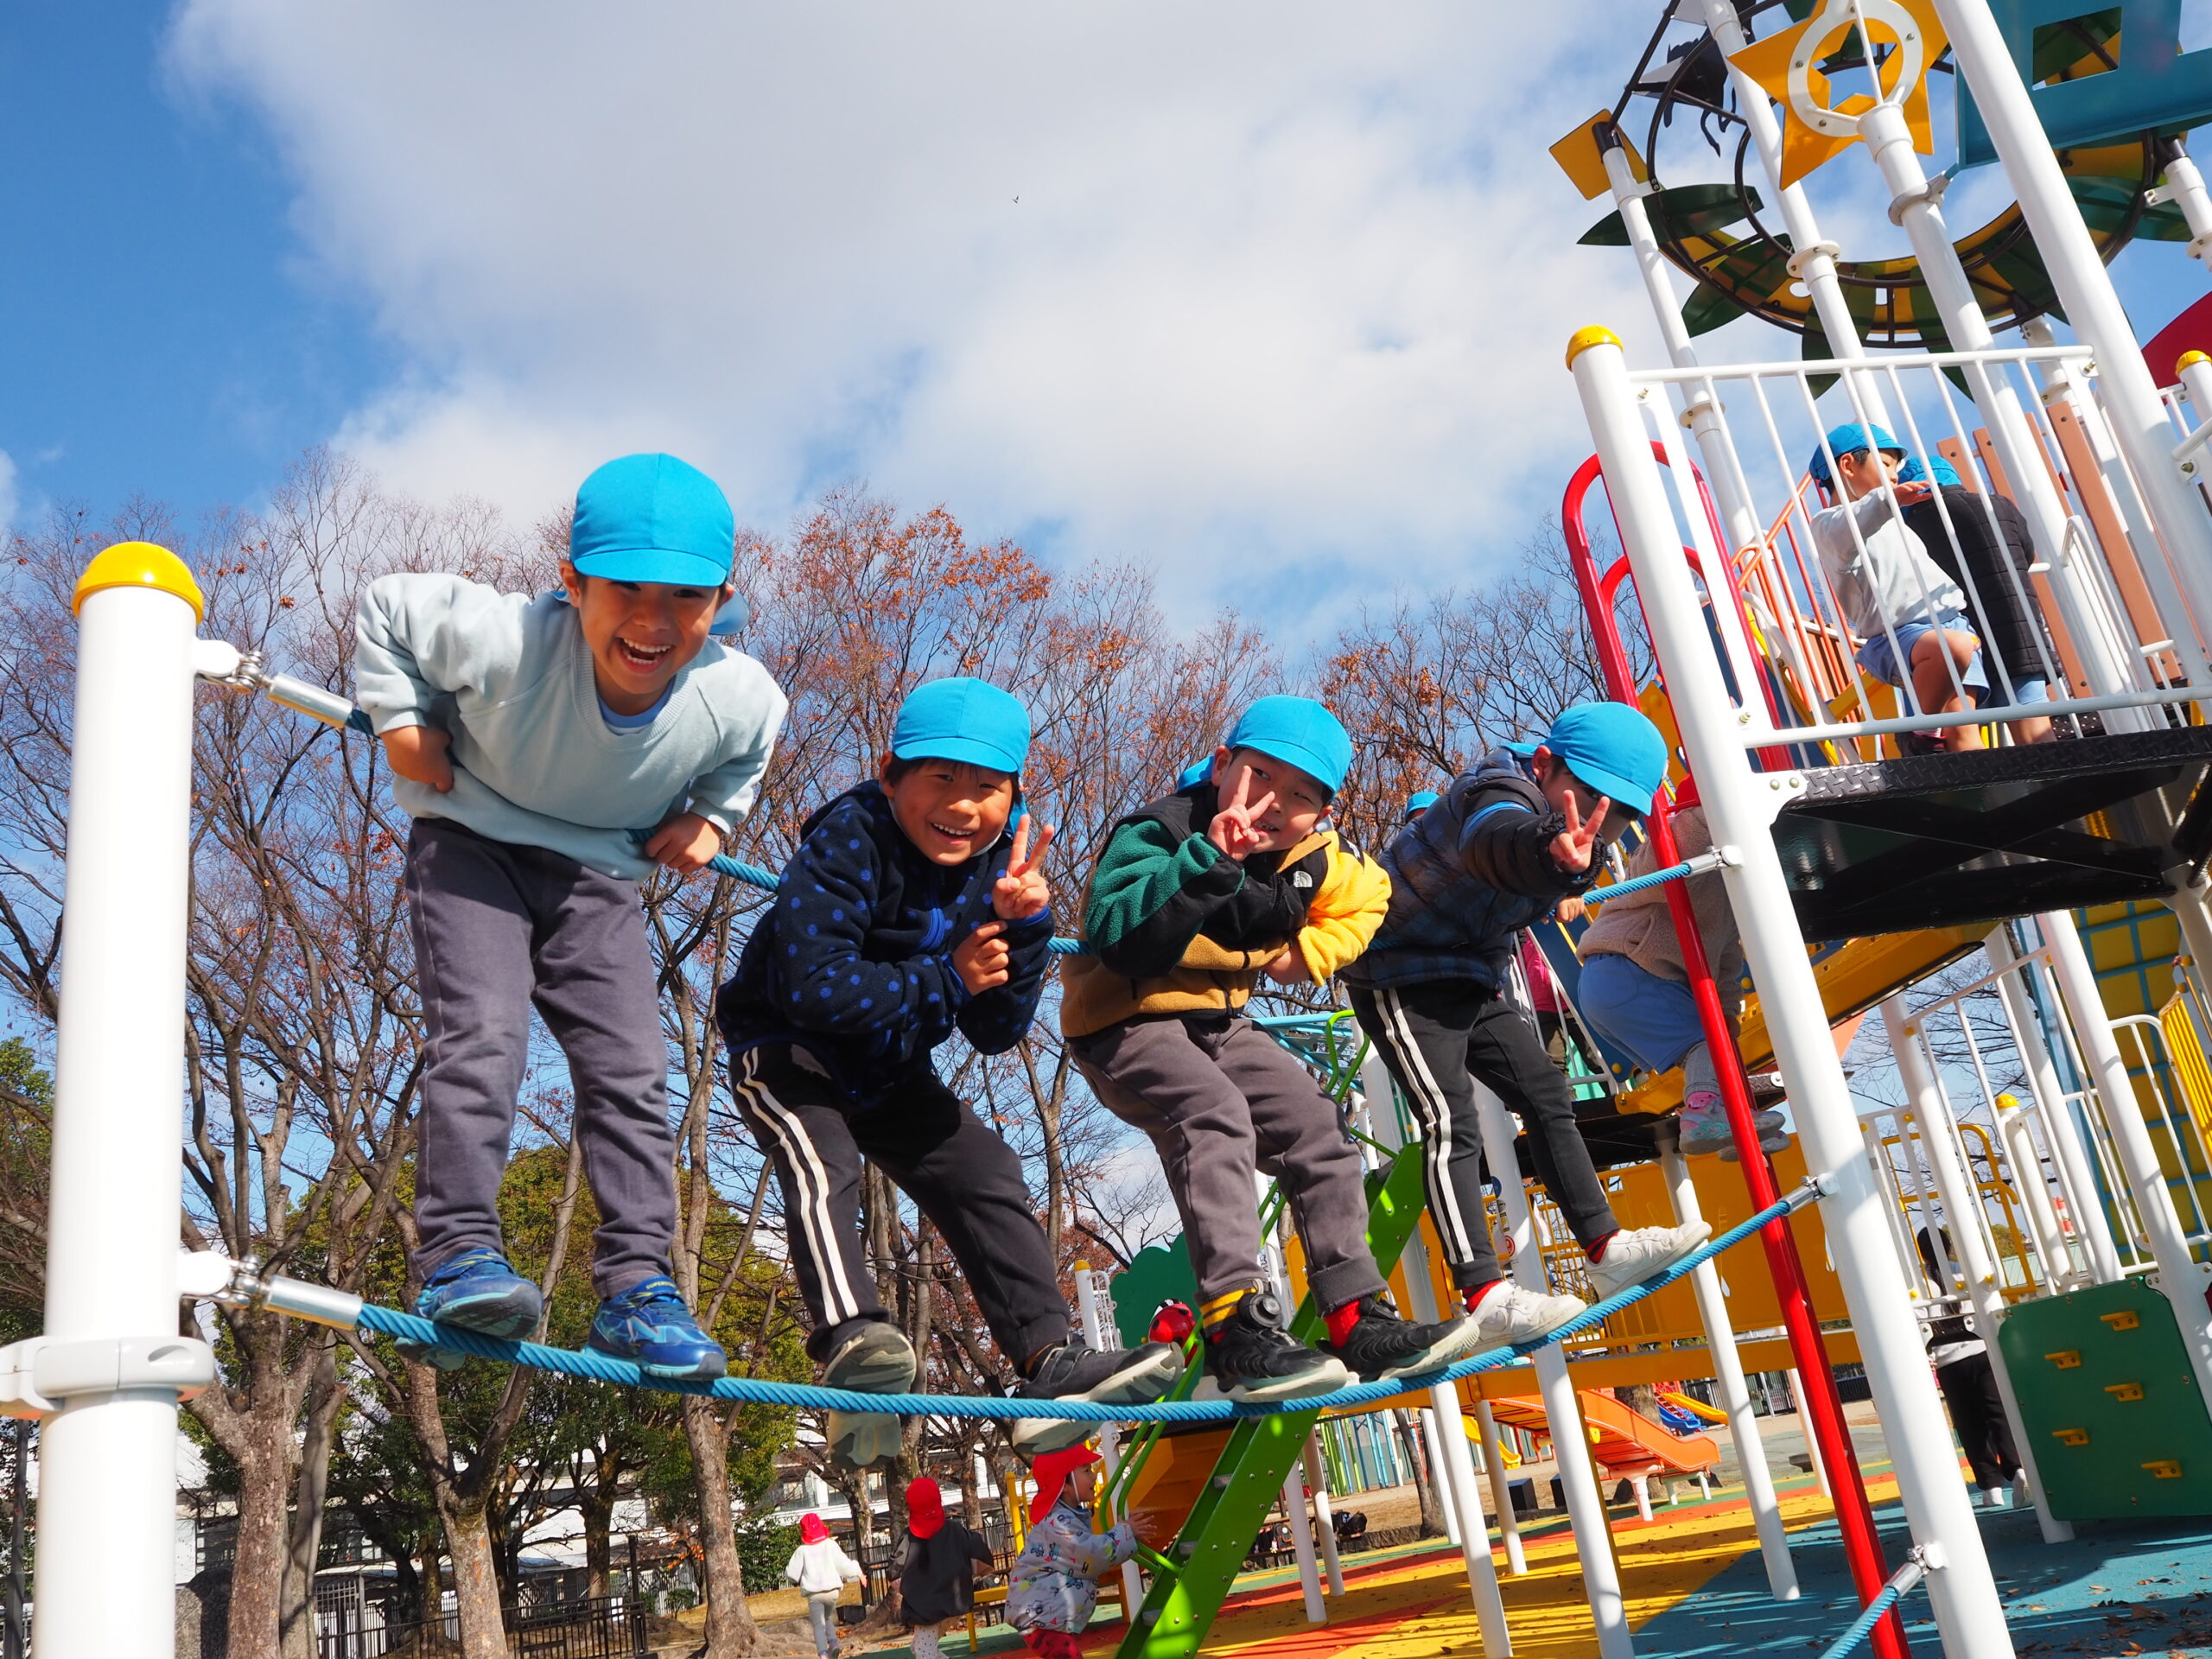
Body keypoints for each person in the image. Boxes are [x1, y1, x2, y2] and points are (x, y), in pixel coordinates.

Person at [354, 452, 788, 1380]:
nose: (651, 620)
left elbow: (744, 757)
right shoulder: (504, 638)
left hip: (598, 878)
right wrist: (401, 719)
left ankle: (638, 1289)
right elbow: (387, 607)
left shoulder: (736, 694)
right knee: (483, 1036)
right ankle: (458, 1255)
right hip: (472, 845)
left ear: (718, 603)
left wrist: (712, 818)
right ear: (571, 584)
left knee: (634, 1070)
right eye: (623, 587)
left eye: (684, 596)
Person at [714, 677, 1181, 1466]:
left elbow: (995, 1031)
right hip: (789, 1049)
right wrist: (946, 978)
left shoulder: (997, 872)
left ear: (1015, 797)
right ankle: (851, 1336)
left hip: (889, 1066)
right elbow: (812, 986)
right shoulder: (848, 841)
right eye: (941, 778)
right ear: (891, 773)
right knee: (822, 1160)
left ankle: (1049, 1360)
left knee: (987, 1169)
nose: (963, 806)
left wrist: (1028, 927)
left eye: (987, 787)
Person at [1063, 696, 1487, 1400]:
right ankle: (1237, 1325)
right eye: (1260, 777)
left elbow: (1373, 896)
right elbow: (1116, 933)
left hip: (1218, 1023)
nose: (1271, 805)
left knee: (1317, 1125)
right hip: (1126, 1020)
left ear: (1321, 815)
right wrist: (1207, 860)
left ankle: (1354, 1315)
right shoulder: (1160, 830)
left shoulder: (1315, 859)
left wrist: (1311, 951)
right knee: (1215, 1112)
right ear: (1224, 765)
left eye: (1299, 797)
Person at [1344, 704, 1711, 1343]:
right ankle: (1484, 1295)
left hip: (1470, 973)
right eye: (1588, 794)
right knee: (1448, 1120)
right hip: (1398, 970)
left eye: (1618, 813)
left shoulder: (1577, 846)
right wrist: (1549, 856)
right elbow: (1498, 840)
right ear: (1545, 765)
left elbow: (1545, 868)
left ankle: (1606, 1250)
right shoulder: (1498, 789)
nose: (1600, 819)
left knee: (1547, 1091)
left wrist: (1564, 865)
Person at [1573, 788, 1788, 1160]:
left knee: (1713, 1046)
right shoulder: (1674, 840)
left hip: (1624, 981)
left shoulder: (1729, 898)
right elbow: (1659, 864)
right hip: (1626, 968)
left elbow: (1725, 965)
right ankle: (1702, 1114)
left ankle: (1729, 1127)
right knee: (1705, 1043)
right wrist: (1705, 815)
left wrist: (1728, 1020)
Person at [1805, 423, 1987, 753]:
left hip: (1950, 621)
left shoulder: (1890, 519)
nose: (1894, 475)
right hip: (1900, 633)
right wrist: (1886, 500)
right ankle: (1918, 731)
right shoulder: (1829, 525)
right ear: (1847, 466)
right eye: (1886, 464)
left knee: (1964, 724)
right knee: (1953, 648)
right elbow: (1856, 520)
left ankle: (1988, 792)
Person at [1898, 455, 2059, 744]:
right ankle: (2062, 784)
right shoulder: (1999, 505)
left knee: (1963, 730)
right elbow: (2026, 551)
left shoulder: (1910, 530)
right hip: (2018, 629)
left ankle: (1988, 788)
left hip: (1960, 638)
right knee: (2034, 728)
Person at [1917, 1229, 2023, 1507]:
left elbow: (1919, 1325)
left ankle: (1991, 1487)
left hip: (1949, 1361)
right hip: (1982, 1350)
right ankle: (2018, 1469)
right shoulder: (1965, 1272)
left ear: (1922, 1251)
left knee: (1969, 1425)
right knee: (2000, 1416)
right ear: (1949, 1245)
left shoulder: (1920, 1282)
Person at [1007, 1444, 1136, 1659]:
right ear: (1064, 1483)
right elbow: (1091, 1555)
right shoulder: (1059, 1523)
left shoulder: (1069, 1516)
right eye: (1086, 1470)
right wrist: (1126, 1532)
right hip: (1039, 1618)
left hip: (1043, 1616)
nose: (1094, 1477)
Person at [898, 1477, 994, 1659]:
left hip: (925, 1609)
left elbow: (895, 1573)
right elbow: (979, 1555)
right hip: (954, 1604)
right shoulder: (956, 1530)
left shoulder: (908, 1539)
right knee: (921, 1648)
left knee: (923, 1651)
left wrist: (911, 1591)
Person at [785, 1513, 863, 1659]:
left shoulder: (802, 1551)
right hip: (832, 1592)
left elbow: (791, 1574)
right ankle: (833, 1643)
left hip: (815, 1594)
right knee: (826, 1618)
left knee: (818, 1625)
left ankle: (823, 1654)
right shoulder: (830, 1545)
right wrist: (858, 1571)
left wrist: (798, 1578)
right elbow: (844, 1566)